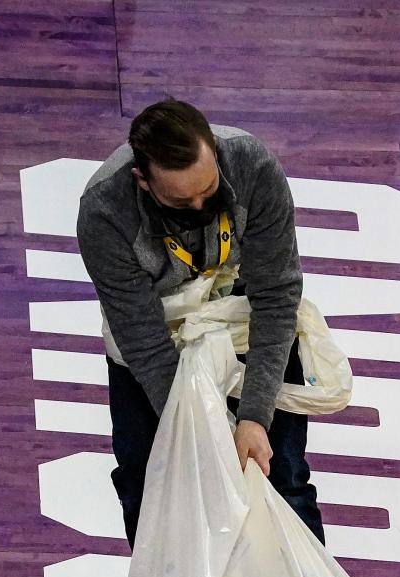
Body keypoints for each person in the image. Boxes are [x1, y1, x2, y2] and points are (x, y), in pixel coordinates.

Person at [76, 98, 323, 551]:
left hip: (242, 317)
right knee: (149, 484)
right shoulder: (104, 212)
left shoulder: (253, 167)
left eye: (208, 193)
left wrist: (252, 417)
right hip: (158, 336)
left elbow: (275, 295)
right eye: (180, 201)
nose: (199, 207)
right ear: (142, 181)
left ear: (214, 153)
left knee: (280, 475)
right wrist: (203, 429)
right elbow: (145, 342)